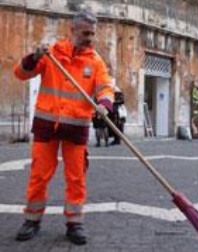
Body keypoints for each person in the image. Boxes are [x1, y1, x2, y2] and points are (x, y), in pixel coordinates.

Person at [13, 10, 114, 245]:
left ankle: (74, 223)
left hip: (76, 130)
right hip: (47, 126)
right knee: (39, 175)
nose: (90, 37)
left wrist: (104, 104)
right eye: (86, 33)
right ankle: (32, 220)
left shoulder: (95, 61)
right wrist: (34, 57)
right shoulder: (52, 54)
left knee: (76, 178)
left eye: (93, 33)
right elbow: (20, 74)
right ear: (73, 30)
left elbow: (105, 88)